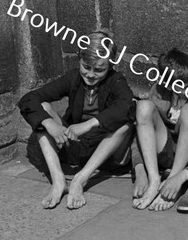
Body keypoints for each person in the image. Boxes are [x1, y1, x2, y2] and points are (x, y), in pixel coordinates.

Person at [18, 28, 134, 210]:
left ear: (110, 66)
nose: (91, 74)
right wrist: (50, 124)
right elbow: (28, 99)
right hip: (74, 144)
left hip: (104, 149)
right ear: (79, 59)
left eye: (99, 70)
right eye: (86, 67)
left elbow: (126, 105)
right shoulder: (73, 78)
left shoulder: (116, 81)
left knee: (125, 125)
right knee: (43, 109)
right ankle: (58, 181)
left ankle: (80, 180)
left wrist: (88, 125)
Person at [131, 48, 188, 212]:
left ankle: (172, 182)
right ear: (168, 85)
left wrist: (179, 177)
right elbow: (140, 134)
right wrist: (140, 170)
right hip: (167, 153)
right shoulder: (158, 92)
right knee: (143, 107)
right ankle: (155, 181)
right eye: (185, 86)